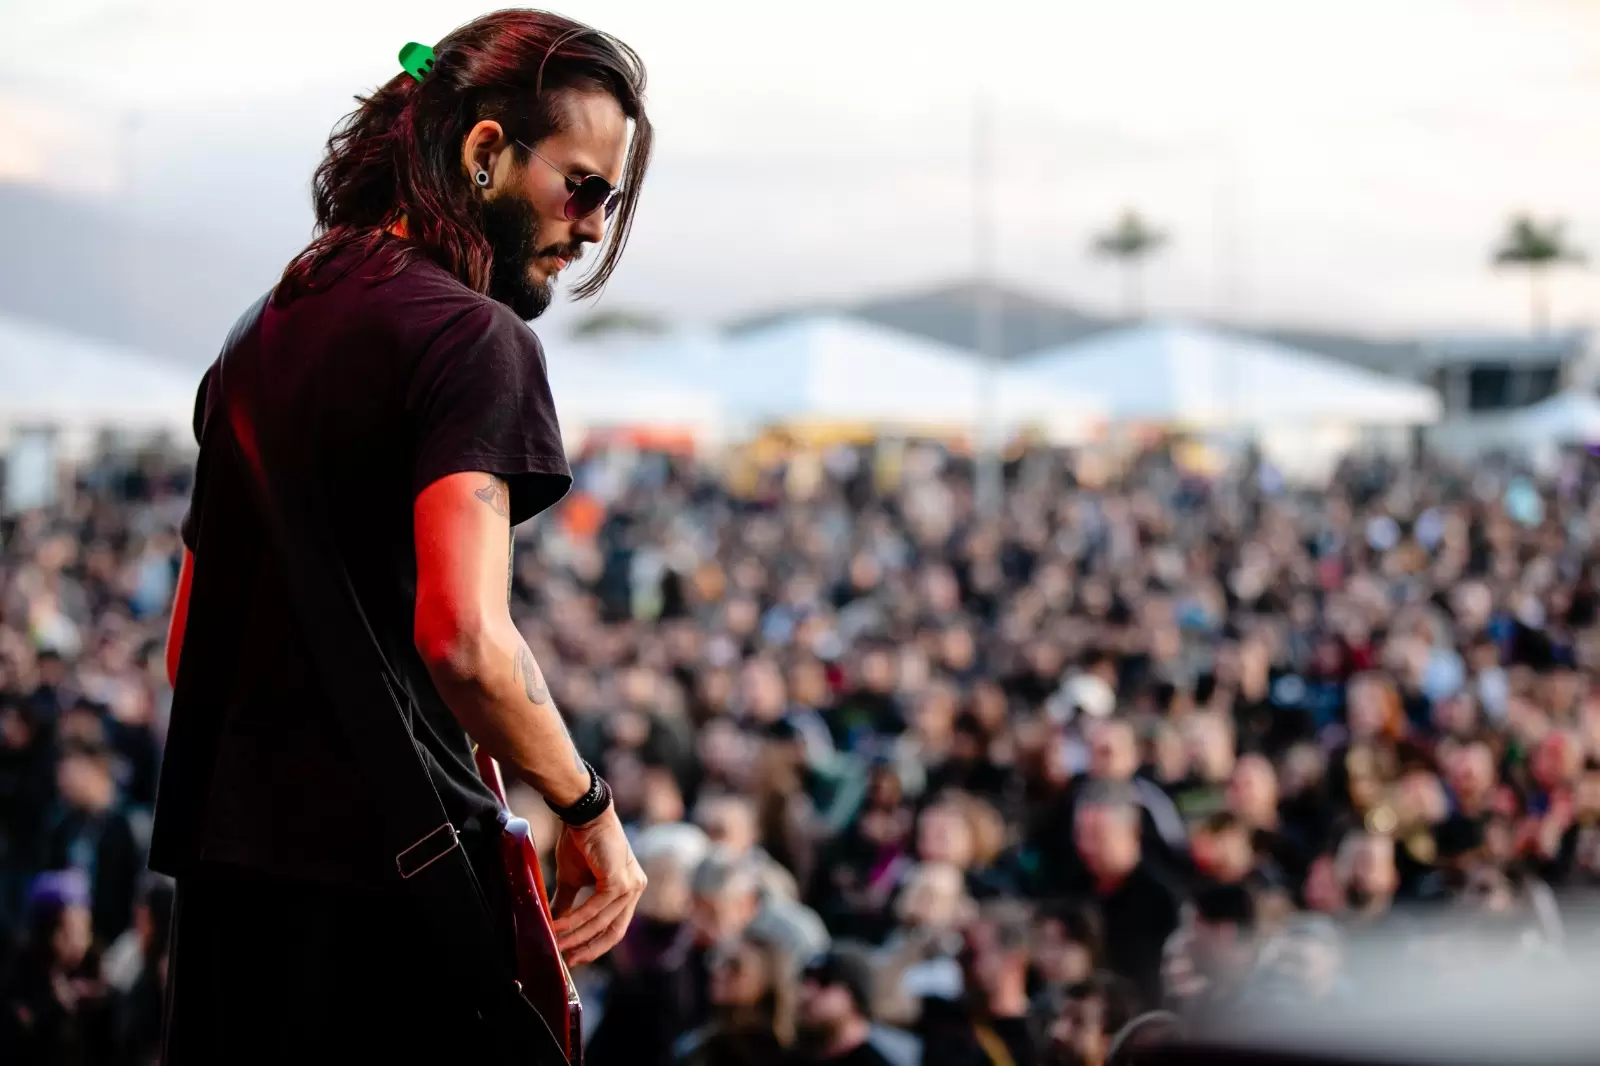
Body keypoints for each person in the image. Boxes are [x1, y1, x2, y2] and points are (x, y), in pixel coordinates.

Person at [149, 10, 653, 1060]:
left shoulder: (261, 330)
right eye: (583, 184)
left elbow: (183, 644)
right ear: (484, 152)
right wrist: (590, 808)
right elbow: (464, 638)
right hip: (389, 899)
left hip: (227, 892)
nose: (593, 225)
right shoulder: (474, 339)